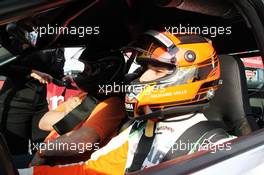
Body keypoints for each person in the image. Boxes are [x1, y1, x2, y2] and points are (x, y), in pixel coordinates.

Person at [18, 30, 236, 175]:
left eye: (157, 71)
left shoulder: (218, 147)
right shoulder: (144, 127)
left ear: (193, 77)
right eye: (145, 69)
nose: (143, 79)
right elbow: (92, 170)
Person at [30, 49, 127, 165]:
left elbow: (82, 141)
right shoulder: (84, 95)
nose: (83, 73)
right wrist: (69, 113)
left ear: (104, 71)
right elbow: (43, 123)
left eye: (88, 69)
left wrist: (42, 152)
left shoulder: (111, 104)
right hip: (48, 162)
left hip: (68, 167)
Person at [0, 48, 65, 155]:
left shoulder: (57, 42)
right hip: (15, 104)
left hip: (40, 104)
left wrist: (62, 79)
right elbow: (3, 65)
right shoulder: (21, 35)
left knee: (43, 150)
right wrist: (30, 72)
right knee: (17, 153)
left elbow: (55, 72)